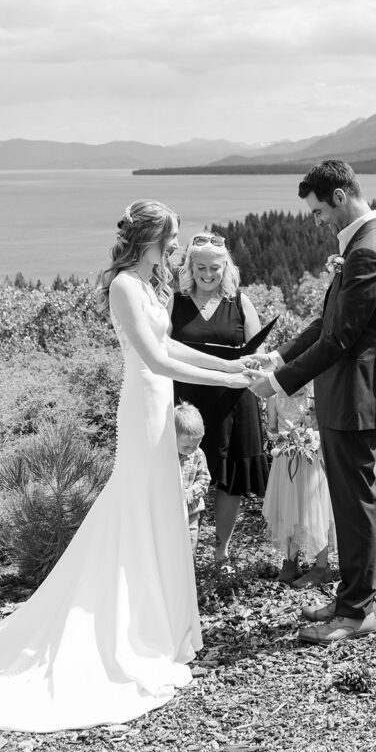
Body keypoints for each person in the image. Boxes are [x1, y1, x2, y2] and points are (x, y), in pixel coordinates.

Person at [0, 199, 251, 742]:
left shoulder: (153, 284)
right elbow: (152, 359)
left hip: (160, 404)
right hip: (142, 406)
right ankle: (127, 629)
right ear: (152, 237)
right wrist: (233, 382)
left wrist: (231, 363)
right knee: (135, 506)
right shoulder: (125, 286)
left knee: (159, 509)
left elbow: (172, 343)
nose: (176, 248)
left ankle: (157, 625)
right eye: (171, 238)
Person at [247, 160, 376, 645]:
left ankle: (357, 612)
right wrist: (278, 356)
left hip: (356, 397)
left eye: (317, 211)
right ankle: (350, 597)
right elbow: (324, 323)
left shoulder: (368, 252)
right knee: (346, 502)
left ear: (339, 196)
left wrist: (277, 385)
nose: (316, 221)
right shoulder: (359, 245)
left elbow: (338, 341)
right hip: (346, 397)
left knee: (355, 506)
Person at [168, 234, 268, 572]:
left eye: (214, 267)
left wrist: (254, 362)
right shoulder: (175, 303)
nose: (207, 274)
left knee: (230, 478)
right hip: (187, 402)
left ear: (226, 267)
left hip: (232, 402)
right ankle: (183, 548)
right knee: (183, 473)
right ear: (189, 267)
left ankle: (221, 551)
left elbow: (258, 352)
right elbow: (163, 349)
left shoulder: (241, 302)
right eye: (200, 268)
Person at [262, 384, 335, 587]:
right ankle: (290, 561)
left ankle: (321, 567)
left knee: (313, 509)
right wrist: (281, 439)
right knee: (287, 508)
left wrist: (308, 439)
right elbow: (272, 429)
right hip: (285, 460)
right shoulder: (275, 396)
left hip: (311, 460)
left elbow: (323, 425)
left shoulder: (314, 393)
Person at [175, 401, 211, 557]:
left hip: (190, 515)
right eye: (186, 447)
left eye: (197, 444)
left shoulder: (198, 454)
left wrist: (189, 493)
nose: (191, 450)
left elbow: (204, 481)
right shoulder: (165, 456)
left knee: (189, 552)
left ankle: (188, 579)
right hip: (168, 515)